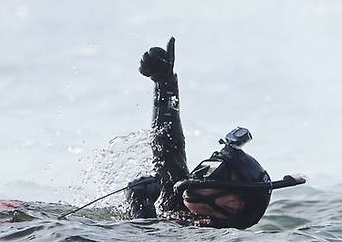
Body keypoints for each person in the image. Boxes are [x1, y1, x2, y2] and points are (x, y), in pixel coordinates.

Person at [126, 37, 303, 229]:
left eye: (213, 173)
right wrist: (164, 83)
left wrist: (140, 210)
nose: (197, 177)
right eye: (206, 168)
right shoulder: (184, 206)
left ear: (234, 203)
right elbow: (168, 146)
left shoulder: (206, 240)